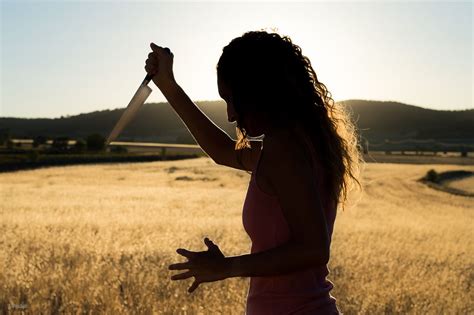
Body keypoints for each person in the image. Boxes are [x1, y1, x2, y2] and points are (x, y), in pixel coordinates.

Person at [145, 30, 362, 315]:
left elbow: (313, 249)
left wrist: (226, 267)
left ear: (261, 92)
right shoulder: (296, 144)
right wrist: (168, 86)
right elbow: (224, 151)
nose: (231, 115)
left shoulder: (286, 149)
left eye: (233, 100)